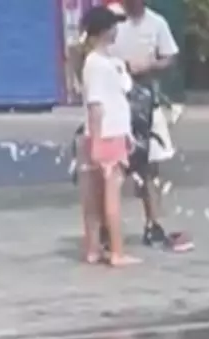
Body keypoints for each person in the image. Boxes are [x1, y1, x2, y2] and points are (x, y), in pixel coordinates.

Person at [110, 0, 192, 252]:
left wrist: (150, 65)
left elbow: (170, 57)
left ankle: (153, 224)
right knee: (113, 167)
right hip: (116, 99)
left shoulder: (157, 22)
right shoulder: (112, 20)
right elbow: (90, 50)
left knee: (150, 167)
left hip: (146, 97)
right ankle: (107, 228)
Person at [78, 5, 141, 267]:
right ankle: (117, 251)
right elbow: (97, 105)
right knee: (111, 196)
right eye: (113, 26)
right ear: (104, 31)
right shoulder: (98, 65)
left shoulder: (102, 63)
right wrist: (97, 139)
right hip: (107, 135)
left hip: (100, 134)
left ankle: (94, 249)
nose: (117, 30)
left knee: (93, 196)